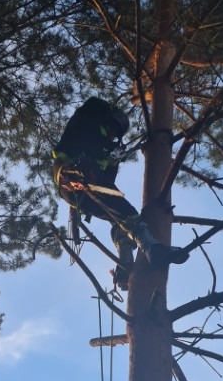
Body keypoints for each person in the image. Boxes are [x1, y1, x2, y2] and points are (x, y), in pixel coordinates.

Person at [52, 97, 188, 289]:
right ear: (105, 121)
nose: (111, 134)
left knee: (121, 217)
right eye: (111, 129)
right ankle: (152, 248)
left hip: (86, 194)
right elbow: (92, 104)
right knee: (123, 209)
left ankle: (125, 266)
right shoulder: (85, 126)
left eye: (115, 133)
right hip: (69, 175)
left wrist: (111, 160)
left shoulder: (107, 151)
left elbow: (107, 185)